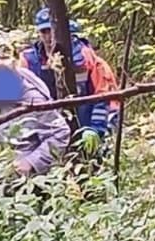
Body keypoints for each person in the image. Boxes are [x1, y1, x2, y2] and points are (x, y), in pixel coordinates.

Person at [19, 8, 121, 153]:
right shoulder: (29, 62)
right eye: (44, 32)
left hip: (88, 121)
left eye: (52, 30)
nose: (49, 37)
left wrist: (96, 130)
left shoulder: (88, 60)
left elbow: (104, 97)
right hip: (49, 130)